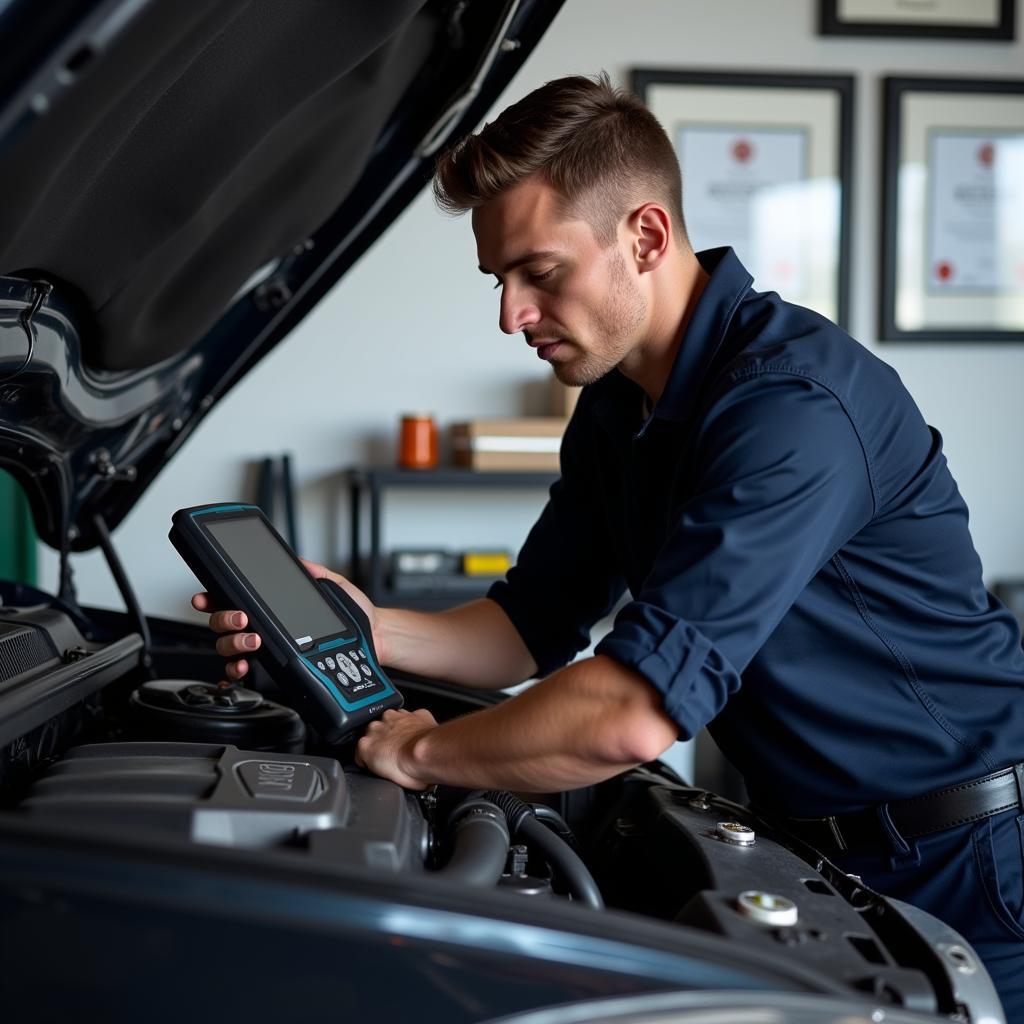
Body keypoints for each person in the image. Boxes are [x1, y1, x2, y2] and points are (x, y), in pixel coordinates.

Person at [193, 75, 1024, 1014]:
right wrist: (370, 627)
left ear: (647, 236)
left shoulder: (794, 408)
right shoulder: (617, 408)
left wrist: (423, 753)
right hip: (819, 848)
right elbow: (527, 625)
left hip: (976, 859)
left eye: (539, 273)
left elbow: (631, 713)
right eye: (499, 280)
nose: (511, 314)